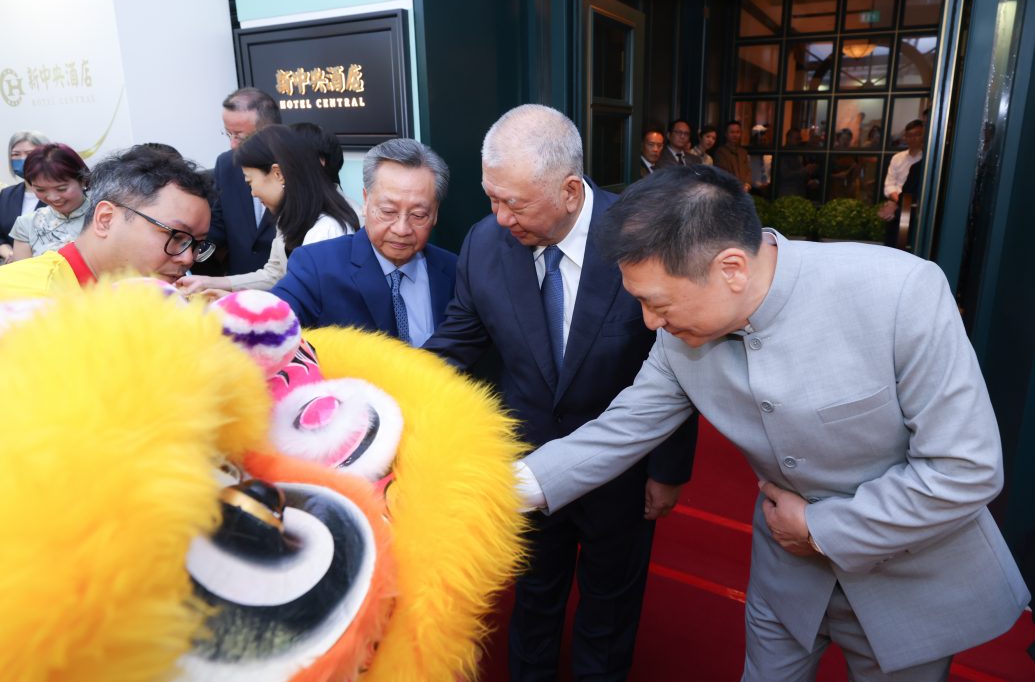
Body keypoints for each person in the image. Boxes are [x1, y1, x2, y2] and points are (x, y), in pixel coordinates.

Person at [515, 165, 1030, 681]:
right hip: (785, 576)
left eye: (657, 302)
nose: (650, 321)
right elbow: (620, 429)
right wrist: (499, 491)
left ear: (732, 268)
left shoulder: (900, 292)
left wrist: (817, 527)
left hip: (908, 579)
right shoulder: (679, 339)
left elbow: (965, 469)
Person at [423, 104, 697, 682]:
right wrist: (373, 385)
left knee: (609, 612)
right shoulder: (483, 245)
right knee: (534, 604)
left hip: (622, 472)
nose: (499, 218)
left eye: (514, 203)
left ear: (571, 191)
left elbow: (681, 359)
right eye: (491, 197)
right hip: (524, 468)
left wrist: (668, 470)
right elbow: (455, 342)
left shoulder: (644, 237)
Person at [271, 138, 456, 346]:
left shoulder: (454, 272)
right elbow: (268, 327)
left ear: (436, 213)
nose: (402, 229)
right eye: (388, 211)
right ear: (366, 201)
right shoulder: (317, 266)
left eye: (419, 215)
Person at [0, 146, 213, 299]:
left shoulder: (155, 303)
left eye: (196, 244)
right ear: (105, 219)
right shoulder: (22, 300)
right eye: (175, 236)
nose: (187, 258)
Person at [176, 125, 357, 295]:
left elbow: (309, 300)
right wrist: (208, 283)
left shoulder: (327, 230)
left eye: (250, 182)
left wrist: (235, 301)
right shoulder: (290, 217)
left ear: (277, 173)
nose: (253, 193)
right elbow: (275, 274)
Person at [208, 87, 282, 275]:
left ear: (268, 131)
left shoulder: (299, 164)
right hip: (239, 284)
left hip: (286, 283)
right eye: (228, 134)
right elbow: (219, 225)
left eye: (240, 136)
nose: (232, 144)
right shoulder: (226, 164)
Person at [8, 144, 90, 261]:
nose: (52, 197)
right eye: (40, 190)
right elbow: (23, 276)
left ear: (83, 180)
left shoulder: (106, 218)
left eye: (61, 189)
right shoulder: (26, 225)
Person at [289, 121, 364, 224]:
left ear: (319, 161)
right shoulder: (296, 210)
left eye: (287, 156)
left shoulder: (331, 224)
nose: (280, 167)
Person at [0, 130, 50, 261]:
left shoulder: (61, 196)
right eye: (16, 154)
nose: (23, 159)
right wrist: (9, 253)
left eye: (29, 153)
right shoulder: (6, 194)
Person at [884, 119, 924, 204]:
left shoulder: (926, 160)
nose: (912, 138)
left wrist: (904, 203)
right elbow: (889, 185)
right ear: (905, 137)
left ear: (924, 136)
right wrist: (900, 202)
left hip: (916, 203)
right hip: (896, 200)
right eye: (909, 135)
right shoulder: (897, 157)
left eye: (917, 135)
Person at [713, 120, 751, 191]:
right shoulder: (720, 152)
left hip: (744, 191)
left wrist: (747, 185)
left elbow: (748, 170)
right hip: (728, 191)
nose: (735, 135)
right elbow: (722, 173)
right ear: (726, 134)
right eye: (732, 132)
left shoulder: (743, 152)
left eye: (737, 132)